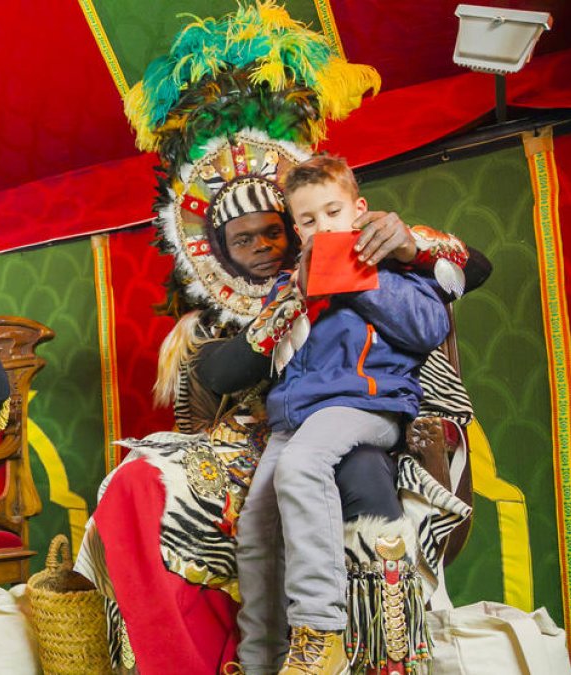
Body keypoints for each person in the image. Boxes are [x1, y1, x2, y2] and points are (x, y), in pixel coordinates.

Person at [74, 5, 481, 675]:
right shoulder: (245, 301)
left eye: (275, 232)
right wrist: (273, 321)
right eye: (247, 238)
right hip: (274, 427)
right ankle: (259, 657)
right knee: (203, 501)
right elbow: (216, 377)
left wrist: (386, 258)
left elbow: (447, 292)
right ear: (220, 247)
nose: (265, 244)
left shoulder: (374, 256)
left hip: (357, 416)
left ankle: (366, 648)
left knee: (344, 475)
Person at [233, 154, 450, 675]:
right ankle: (263, 659)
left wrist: (363, 277)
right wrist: (305, 293)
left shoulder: (396, 268)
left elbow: (430, 325)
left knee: (300, 466)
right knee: (256, 523)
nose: (323, 227)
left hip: (366, 405)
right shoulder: (294, 287)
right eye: (308, 221)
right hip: (301, 416)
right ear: (296, 228)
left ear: (359, 211)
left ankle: (320, 632)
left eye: (333, 213)